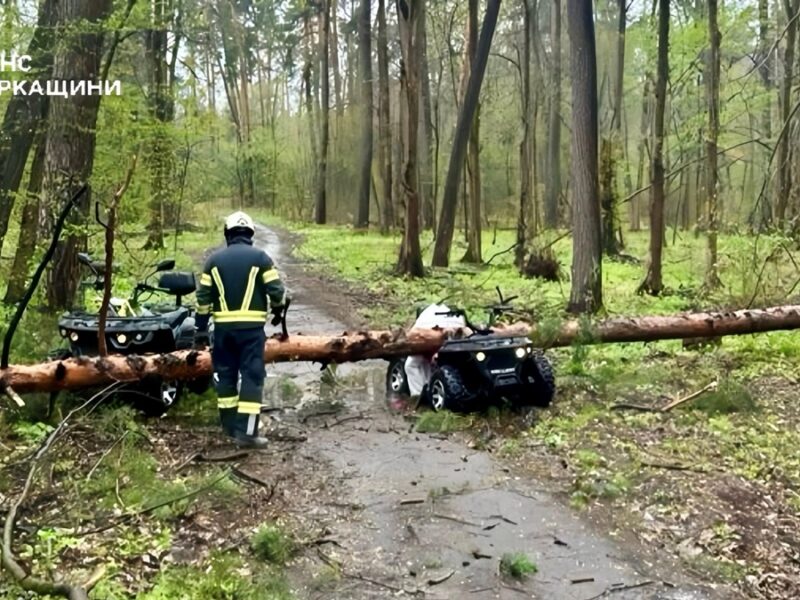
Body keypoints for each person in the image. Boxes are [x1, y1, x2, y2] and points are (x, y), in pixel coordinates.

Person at [194, 211, 288, 448]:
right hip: (251, 332)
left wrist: (201, 331)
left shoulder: (212, 262)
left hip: (223, 332)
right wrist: (278, 310)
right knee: (251, 377)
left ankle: (229, 428)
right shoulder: (261, 259)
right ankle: (246, 433)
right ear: (250, 234)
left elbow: (203, 300)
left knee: (225, 376)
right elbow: (277, 293)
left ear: (228, 234)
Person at [404, 303, 467, 396]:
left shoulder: (453, 321)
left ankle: (425, 392)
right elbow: (415, 335)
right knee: (412, 365)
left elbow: (460, 335)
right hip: (424, 348)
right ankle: (418, 394)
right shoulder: (428, 316)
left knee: (428, 367)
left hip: (443, 352)